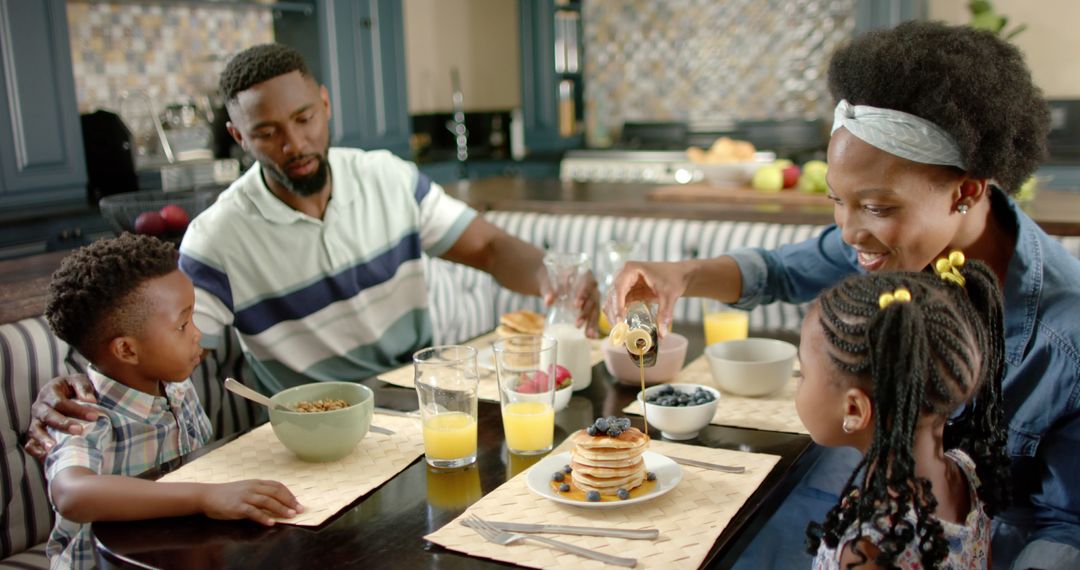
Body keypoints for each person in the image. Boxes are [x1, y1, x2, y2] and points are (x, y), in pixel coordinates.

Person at [608, 21, 1078, 569]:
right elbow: (780, 271)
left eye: (877, 207)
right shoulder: (900, 243)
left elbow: (1065, 527)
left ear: (967, 191)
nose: (850, 233)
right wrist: (681, 276)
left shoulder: (1064, 339)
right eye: (837, 200)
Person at [24, 44, 598, 453]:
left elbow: (492, 247)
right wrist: (69, 386)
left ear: (325, 104)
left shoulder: (388, 178)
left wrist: (560, 279)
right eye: (268, 131)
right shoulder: (218, 237)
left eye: (303, 118)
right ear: (238, 137)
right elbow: (153, 339)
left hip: (431, 413)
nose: (295, 144)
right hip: (326, 442)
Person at [42, 234, 301, 570]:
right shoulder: (82, 412)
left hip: (178, 550)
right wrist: (205, 496)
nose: (197, 334)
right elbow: (72, 494)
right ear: (127, 350)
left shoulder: (174, 385)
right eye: (182, 324)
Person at [799, 258, 1008, 569]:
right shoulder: (967, 473)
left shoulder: (868, 552)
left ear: (855, 409)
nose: (798, 383)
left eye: (802, 374)